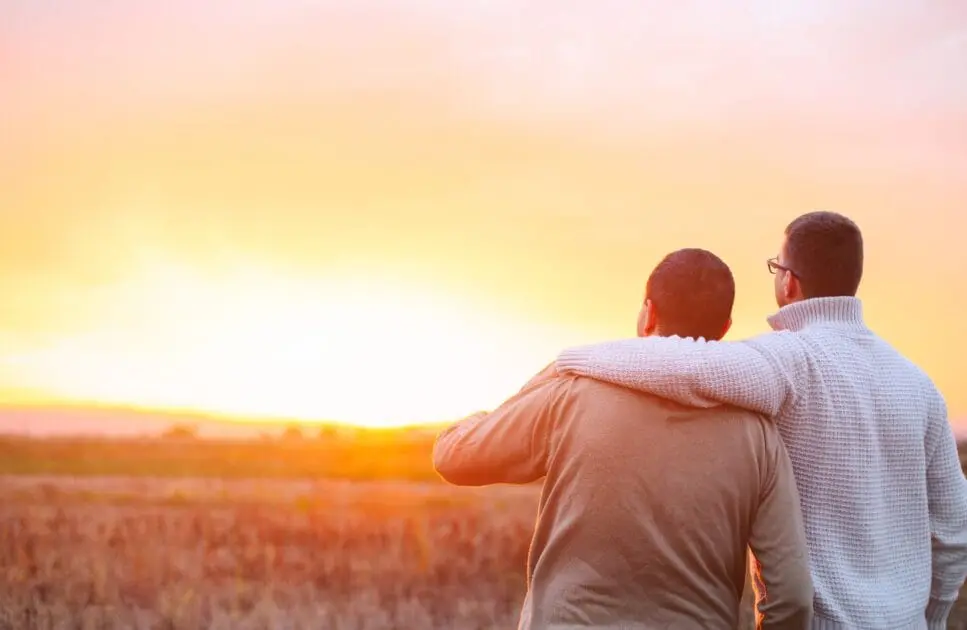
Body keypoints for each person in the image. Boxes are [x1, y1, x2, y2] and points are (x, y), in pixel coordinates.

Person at [555, 212, 967, 630]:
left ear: (788, 281)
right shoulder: (919, 385)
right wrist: (932, 619)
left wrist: (571, 358)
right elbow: (956, 531)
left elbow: (684, 364)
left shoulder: (790, 360)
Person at [434, 248, 814, 630]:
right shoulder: (758, 433)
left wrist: (543, 382)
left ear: (648, 314)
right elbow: (792, 598)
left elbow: (454, 457)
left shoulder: (573, 393)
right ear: (725, 327)